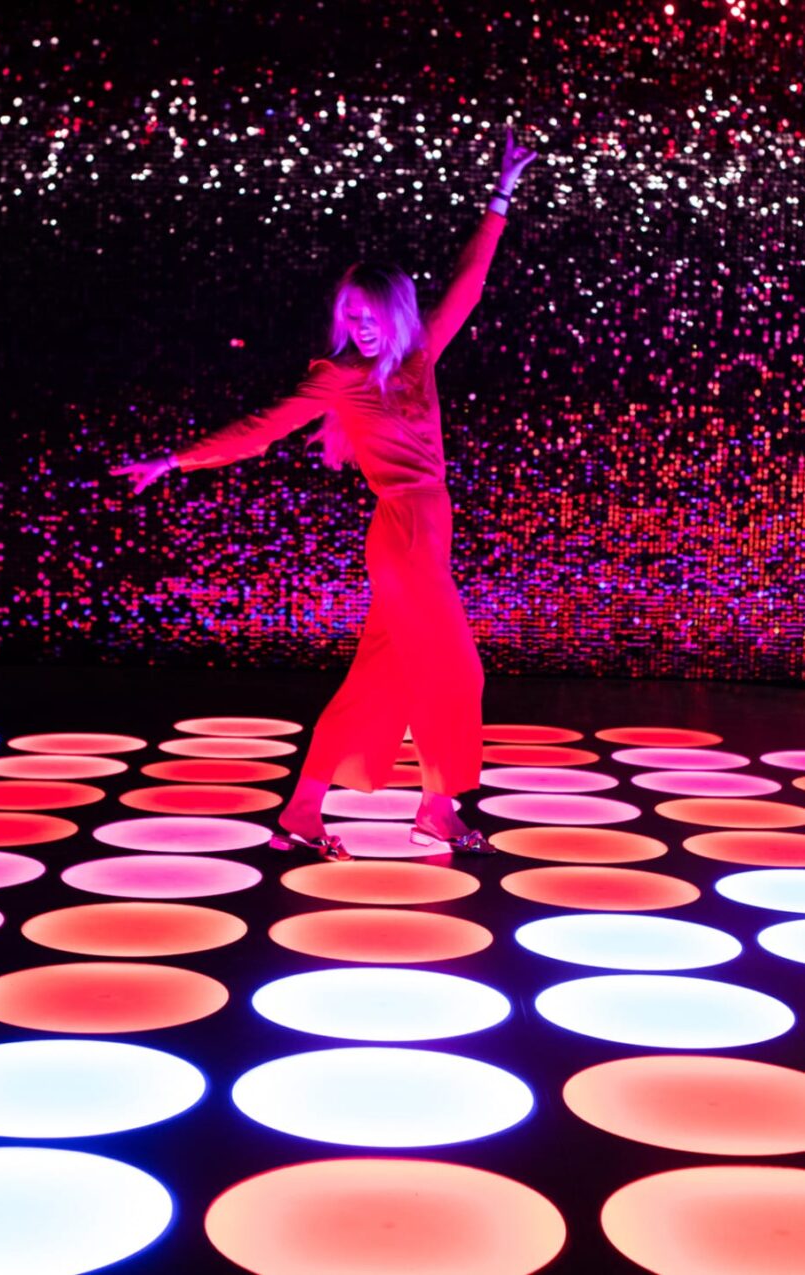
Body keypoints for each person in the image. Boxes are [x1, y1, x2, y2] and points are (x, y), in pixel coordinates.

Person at [113, 125, 537, 862]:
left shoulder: (420, 354)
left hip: (425, 536)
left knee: (382, 682)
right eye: (351, 318)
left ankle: (303, 812)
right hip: (403, 537)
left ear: (396, 313)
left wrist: (501, 195)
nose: (361, 329)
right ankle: (438, 809)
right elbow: (258, 430)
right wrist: (175, 460)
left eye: (371, 317)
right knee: (457, 670)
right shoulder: (337, 377)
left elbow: (467, 283)